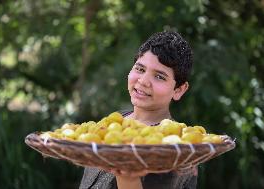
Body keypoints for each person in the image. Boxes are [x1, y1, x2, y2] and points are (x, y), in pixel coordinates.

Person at [79, 30, 197, 189]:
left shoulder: (174, 149)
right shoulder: (113, 123)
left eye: (160, 76)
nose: (143, 81)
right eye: (140, 69)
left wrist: (128, 178)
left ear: (179, 90)